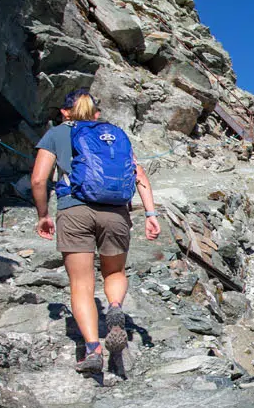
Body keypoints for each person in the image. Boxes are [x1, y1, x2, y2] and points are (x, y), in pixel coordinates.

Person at [31, 89, 160, 375]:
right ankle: (114, 306)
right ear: (97, 114)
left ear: (65, 112)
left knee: (81, 284)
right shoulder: (113, 135)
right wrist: (150, 214)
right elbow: (139, 176)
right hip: (116, 213)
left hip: (74, 210)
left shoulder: (56, 134)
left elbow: (39, 180)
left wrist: (42, 215)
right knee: (114, 273)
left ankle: (93, 348)